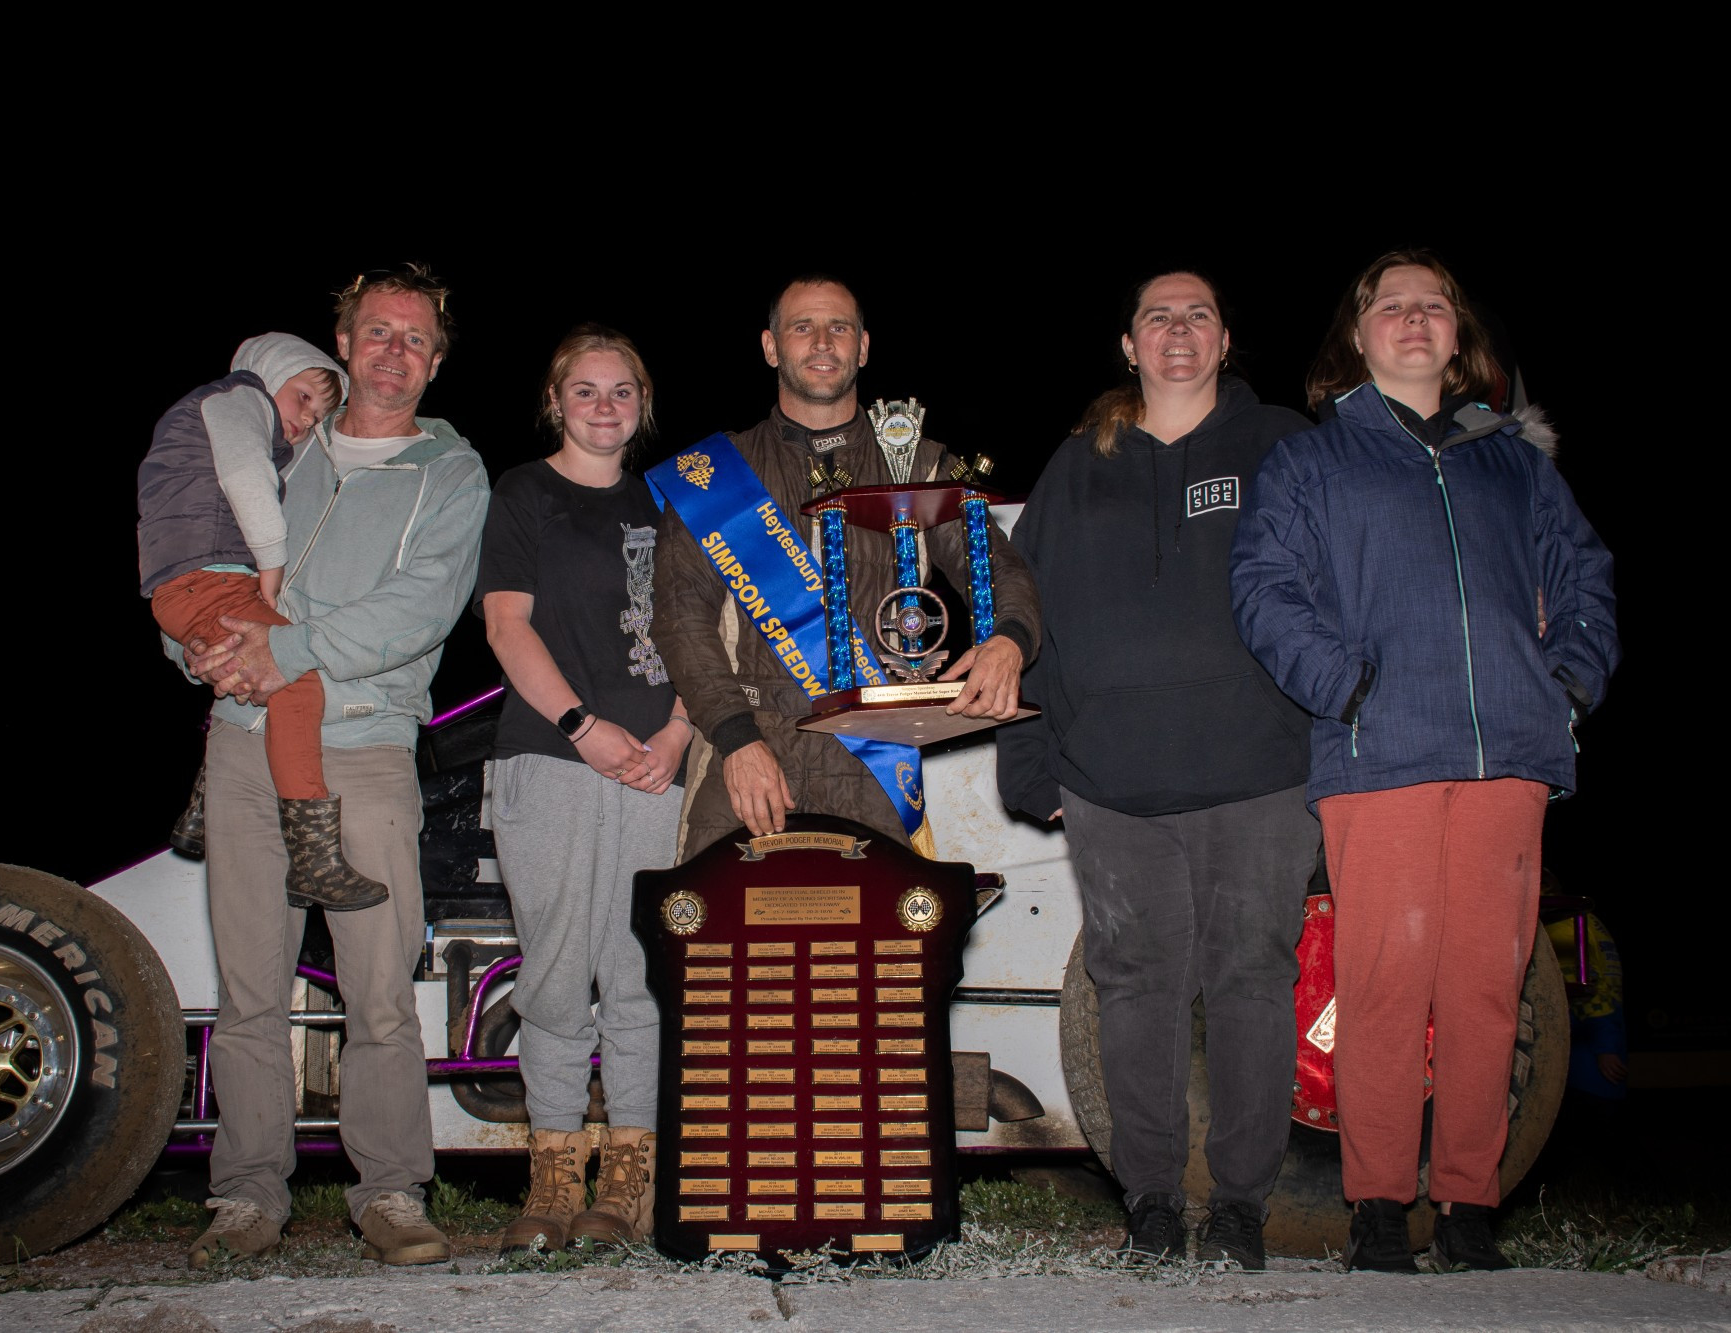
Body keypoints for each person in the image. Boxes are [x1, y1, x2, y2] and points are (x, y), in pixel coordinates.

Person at [1230, 250, 1619, 1274]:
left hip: (1507, 758)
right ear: (1355, 339)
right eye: (1388, 307)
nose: (1411, 319)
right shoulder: (1312, 461)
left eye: (1431, 307)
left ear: (1456, 337)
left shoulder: (1513, 463)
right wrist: (1346, 685)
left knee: (1486, 986)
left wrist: (1567, 683)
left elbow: (1583, 577)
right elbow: (1263, 588)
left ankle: (1465, 1202)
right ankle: (1371, 1203)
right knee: (1383, 978)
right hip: (1380, 753)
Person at [994, 272, 1318, 1269]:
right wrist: (1027, 760)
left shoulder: (1282, 445)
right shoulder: (1074, 464)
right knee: (1131, 984)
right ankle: (1147, 1199)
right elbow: (1025, 614)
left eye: (1197, 316)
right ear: (1127, 346)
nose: (1176, 332)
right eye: (1155, 318)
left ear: (1224, 340)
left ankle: (1237, 1205)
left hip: (1260, 771)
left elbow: (1341, 592)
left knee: (1251, 984)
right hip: (1107, 778)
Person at [178, 264, 490, 1268]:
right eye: (375, 332)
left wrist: (288, 647)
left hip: (365, 748)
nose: (392, 351)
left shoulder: (452, 473)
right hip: (240, 743)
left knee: (379, 989)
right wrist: (195, 642)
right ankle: (245, 1197)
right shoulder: (274, 443)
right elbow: (196, 550)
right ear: (343, 343)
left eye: (414, 338)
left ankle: (391, 1190)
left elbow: (421, 609)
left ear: (435, 361)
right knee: (251, 987)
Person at [651, 275, 1041, 860]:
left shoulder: (919, 463)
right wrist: (736, 740)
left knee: (884, 950)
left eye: (840, 328)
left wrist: (1009, 641)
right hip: (750, 754)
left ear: (862, 346)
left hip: (873, 754)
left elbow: (1003, 571)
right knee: (729, 948)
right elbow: (681, 619)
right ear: (770, 346)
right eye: (802, 327)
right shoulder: (714, 474)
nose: (823, 342)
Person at [477, 326, 687, 1251]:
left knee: (642, 973)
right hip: (550, 759)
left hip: (653, 765)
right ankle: (556, 1175)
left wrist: (678, 731)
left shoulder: (671, 500)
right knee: (557, 974)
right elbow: (505, 625)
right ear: (556, 402)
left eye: (623, 391)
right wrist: (581, 726)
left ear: (643, 403)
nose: (605, 406)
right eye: (586, 391)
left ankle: (629, 1179)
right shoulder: (523, 493)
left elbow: (707, 630)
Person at [138, 334, 387, 911]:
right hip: (207, 577)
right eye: (302, 398)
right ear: (269, 372)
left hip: (189, 580)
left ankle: (200, 814)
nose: (305, 420)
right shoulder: (235, 401)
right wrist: (271, 568)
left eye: (318, 415)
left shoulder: (229, 413)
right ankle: (313, 861)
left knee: (247, 672)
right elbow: (247, 480)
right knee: (295, 681)